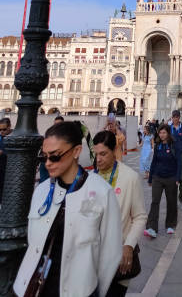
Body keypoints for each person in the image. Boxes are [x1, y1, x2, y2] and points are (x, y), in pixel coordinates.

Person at [14, 121, 122, 297]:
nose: (48, 163)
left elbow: (110, 253)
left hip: (79, 290)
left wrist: (92, 288)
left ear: (76, 151)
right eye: (44, 157)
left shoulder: (102, 192)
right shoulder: (41, 191)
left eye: (55, 156)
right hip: (35, 287)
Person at [93, 131, 147, 297]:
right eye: (96, 154)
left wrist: (129, 245)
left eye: (103, 154)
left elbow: (140, 216)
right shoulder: (89, 179)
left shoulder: (130, 178)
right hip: (92, 257)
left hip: (118, 258)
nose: (98, 159)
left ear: (114, 151)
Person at [144, 124, 182, 238]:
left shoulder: (174, 145)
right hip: (158, 177)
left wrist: (178, 178)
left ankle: (170, 224)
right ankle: (151, 227)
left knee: (171, 202)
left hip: (171, 177)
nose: (162, 135)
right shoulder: (158, 145)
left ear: (168, 133)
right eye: (160, 133)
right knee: (155, 201)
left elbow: (179, 162)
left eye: (164, 133)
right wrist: (150, 178)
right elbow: (154, 162)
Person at [0, 118, 11, 202]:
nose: (1, 131)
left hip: (8, 172)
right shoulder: (1, 138)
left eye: (4, 129)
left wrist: (2, 153)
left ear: (9, 127)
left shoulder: (14, 138)